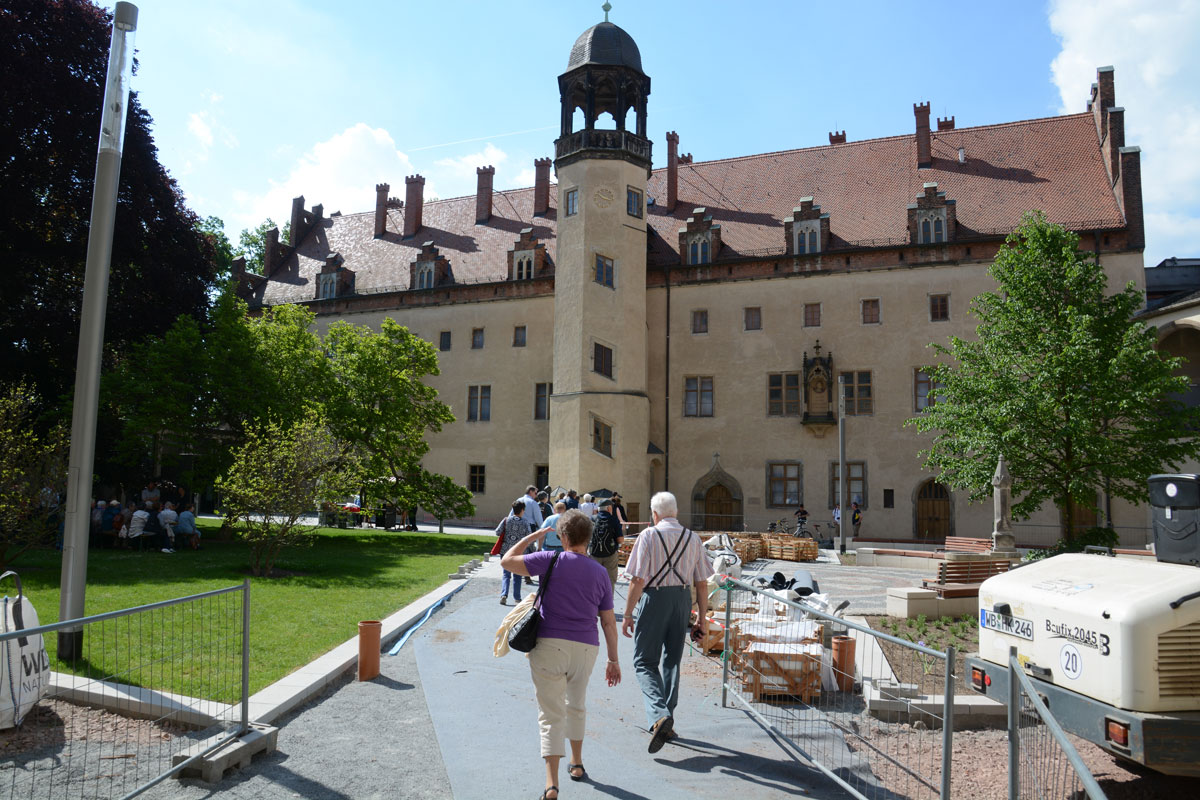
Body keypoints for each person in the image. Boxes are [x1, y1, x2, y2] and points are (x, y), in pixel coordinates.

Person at [500, 509, 621, 800]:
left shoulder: (549, 559)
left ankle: (551, 784)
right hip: (585, 647)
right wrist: (613, 659)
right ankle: (577, 763)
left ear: (563, 537)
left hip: (549, 643)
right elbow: (607, 620)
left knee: (550, 714)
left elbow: (506, 560)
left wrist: (536, 535)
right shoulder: (600, 573)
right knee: (576, 705)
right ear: (588, 539)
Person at [621, 491, 712, 752]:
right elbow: (702, 583)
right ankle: (667, 720)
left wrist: (627, 614)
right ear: (676, 512)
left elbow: (638, 580)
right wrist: (702, 619)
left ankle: (659, 714)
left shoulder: (648, 535)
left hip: (655, 597)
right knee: (672, 660)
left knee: (644, 661)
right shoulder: (692, 538)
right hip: (682, 599)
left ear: (654, 513)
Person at [496, 501, 532, 605]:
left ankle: (504, 594)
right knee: (517, 575)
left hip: (506, 550)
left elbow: (497, 532)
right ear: (522, 510)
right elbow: (529, 536)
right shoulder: (525, 522)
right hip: (519, 552)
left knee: (506, 574)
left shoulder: (506, 520)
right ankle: (517, 598)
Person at [588, 498, 624, 590]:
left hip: (594, 554)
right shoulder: (614, 520)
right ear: (609, 508)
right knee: (610, 581)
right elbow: (620, 540)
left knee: (594, 581)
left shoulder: (592, 519)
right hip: (610, 554)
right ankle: (607, 602)